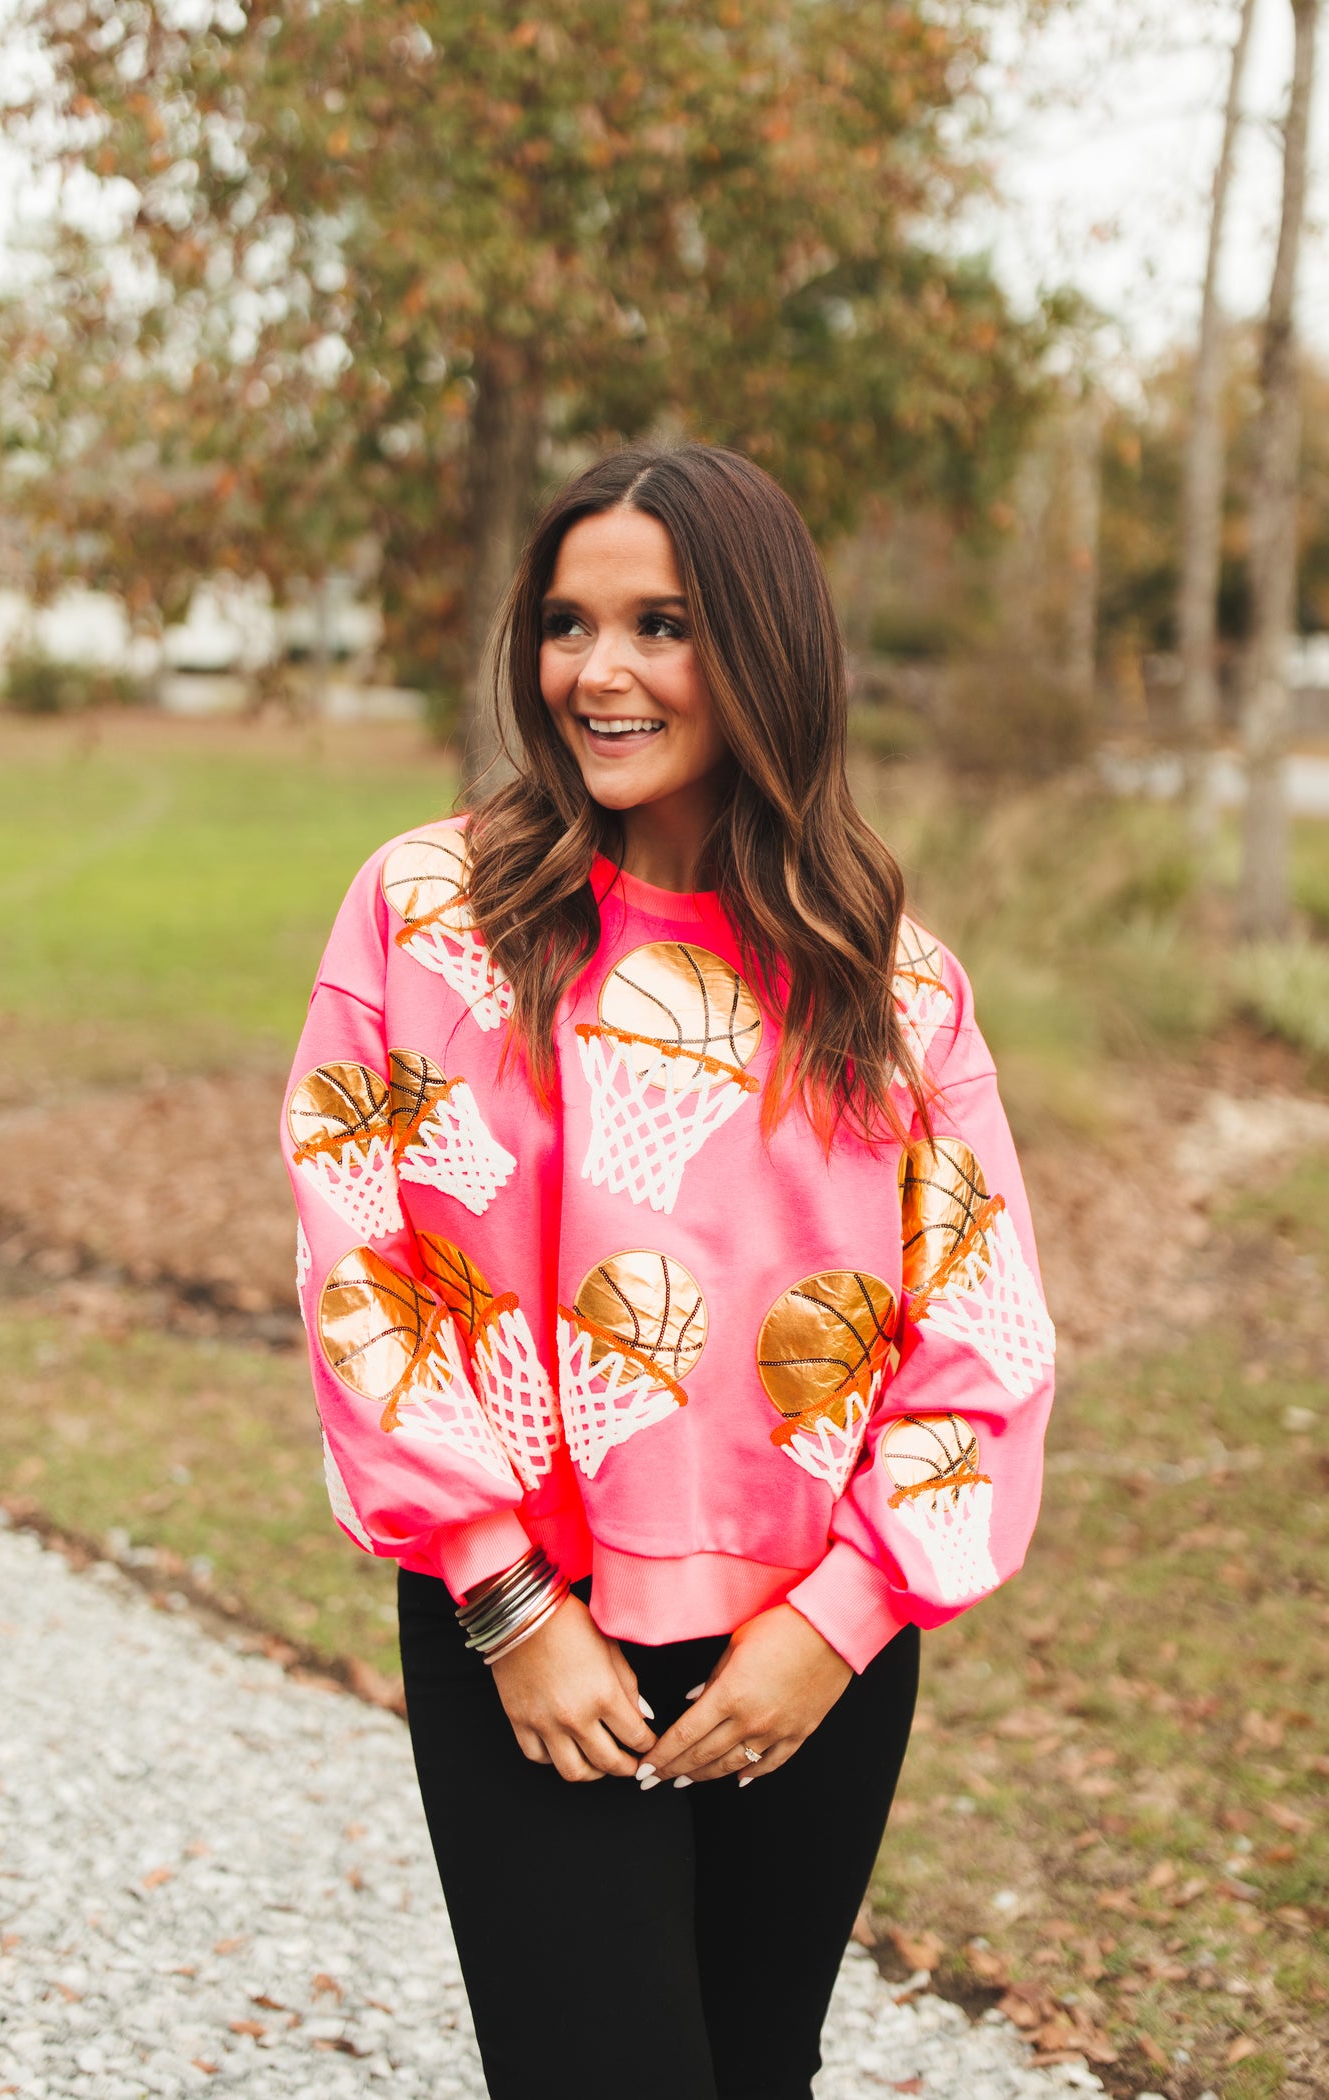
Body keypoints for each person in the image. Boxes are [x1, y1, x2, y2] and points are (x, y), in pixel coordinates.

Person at [281, 443, 1056, 2100]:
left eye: (664, 624)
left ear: (765, 648)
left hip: (812, 1653)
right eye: (569, 623)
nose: (598, 672)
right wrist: (500, 1597)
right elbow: (366, 1252)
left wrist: (839, 1625)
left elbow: (976, 1338)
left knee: (754, 2070)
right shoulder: (431, 915)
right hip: (531, 1634)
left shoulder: (889, 985)